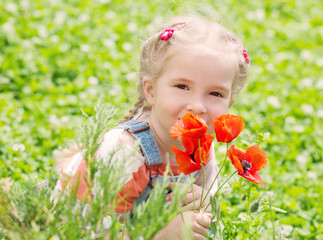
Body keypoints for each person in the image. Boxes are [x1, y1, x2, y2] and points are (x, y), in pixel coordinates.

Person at [53, 13, 249, 240]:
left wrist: (203, 201)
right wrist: (160, 234)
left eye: (215, 93)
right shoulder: (123, 153)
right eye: (182, 86)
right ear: (151, 90)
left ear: (229, 103)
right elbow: (85, 233)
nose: (197, 106)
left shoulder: (202, 148)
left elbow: (203, 211)